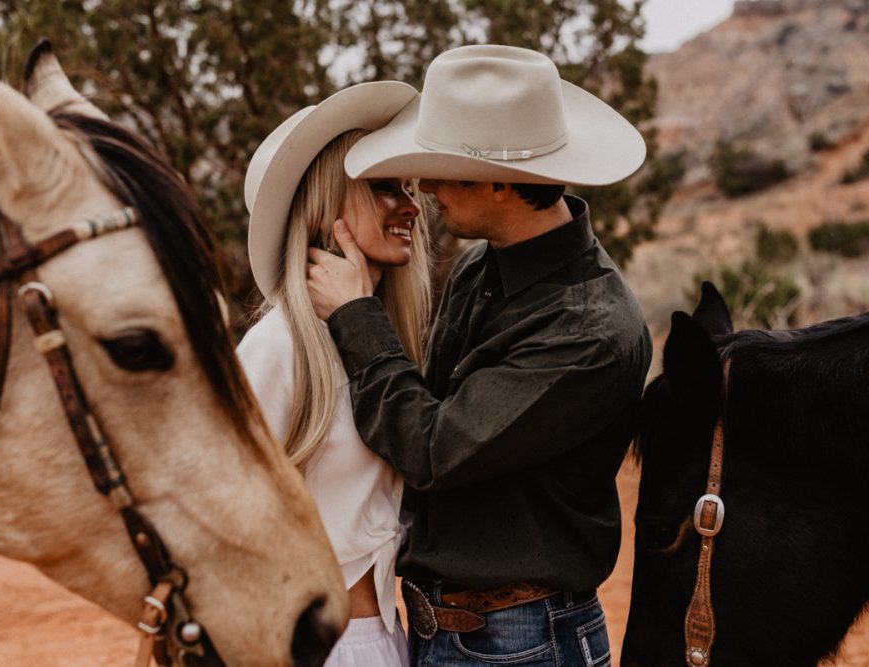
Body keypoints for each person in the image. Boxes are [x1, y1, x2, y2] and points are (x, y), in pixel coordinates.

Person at [305, 45, 653, 666]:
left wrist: (357, 315)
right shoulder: (476, 268)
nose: (429, 187)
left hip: (523, 643)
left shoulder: (589, 331)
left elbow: (430, 448)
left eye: (443, 170)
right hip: (448, 631)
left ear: (500, 181)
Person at [237, 81, 431, 667]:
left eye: (409, 187)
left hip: (391, 642)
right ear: (324, 202)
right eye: (382, 188)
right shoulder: (277, 347)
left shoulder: (384, 345)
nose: (411, 206)